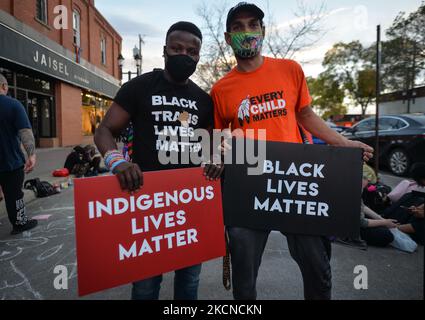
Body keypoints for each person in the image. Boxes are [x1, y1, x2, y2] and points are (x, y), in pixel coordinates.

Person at [207, 2, 374, 300]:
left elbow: (306, 116)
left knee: (318, 271)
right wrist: (218, 154)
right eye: (237, 27)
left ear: (263, 30)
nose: (246, 31)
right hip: (248, 186)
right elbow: (221, 136)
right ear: (227, 36)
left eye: (253, 24)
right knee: (244, 285)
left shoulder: (290, 70)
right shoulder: (221, 89)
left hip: (295, 184)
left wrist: (346, 145)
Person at [94, 22, 214, 300]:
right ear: (165, 51)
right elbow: (104, 131)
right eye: (177, 48)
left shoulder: (203, 100)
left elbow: (209, 147)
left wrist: (216, 160)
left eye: (192, 51)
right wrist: (117, 162)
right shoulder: (139, 87)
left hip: (189, 205)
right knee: (146, 285)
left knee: (189, 280)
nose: (184, 55)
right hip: (146, 202)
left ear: (198, 56)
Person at [0, 73, 38, 235]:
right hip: (10, 161)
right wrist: (31, 155)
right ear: (4, 86)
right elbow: (25, 132)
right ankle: (20, 222)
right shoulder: (13, 105)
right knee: (14, 195)